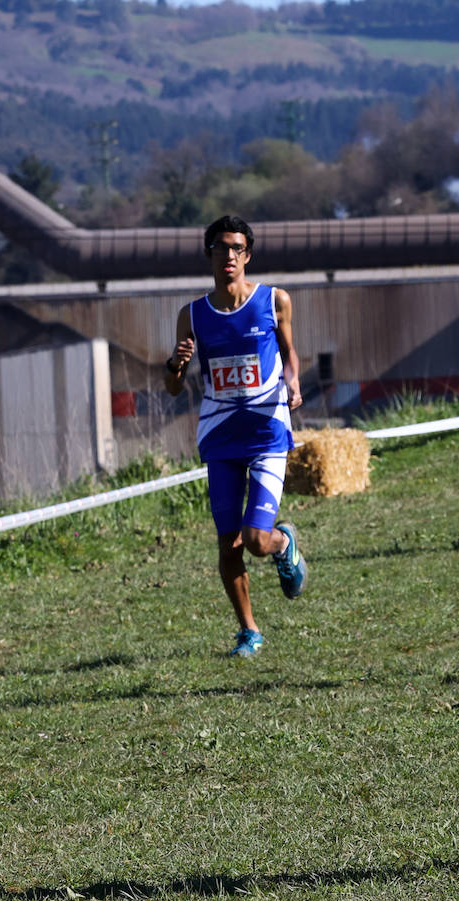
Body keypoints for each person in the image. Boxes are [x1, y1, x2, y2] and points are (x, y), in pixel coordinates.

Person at [164, 215, 307, 658]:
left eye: (237, 248)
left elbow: (288, 352)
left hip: (267, 433)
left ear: (248, 255)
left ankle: (283, 542)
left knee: (257, 540)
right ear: (209, 254)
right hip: (221, 437)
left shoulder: (274, 300)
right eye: (221, 248)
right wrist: (175, 364)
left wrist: (293, 381)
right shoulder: (191, 315)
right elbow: (172, 388)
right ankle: (249, 631)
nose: (229, 256)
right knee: (228, 543)